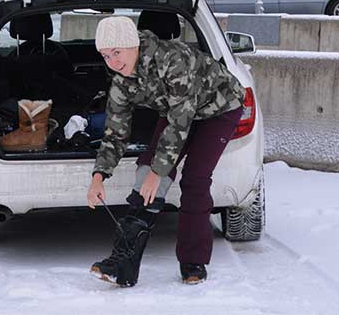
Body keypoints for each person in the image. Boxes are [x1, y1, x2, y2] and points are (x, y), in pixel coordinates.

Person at [86, 15, 245, 287]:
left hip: (219, 108)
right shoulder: (121, 81)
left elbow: (179, 123)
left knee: (194, 178)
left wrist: (159, 173)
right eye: (105, 55)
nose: (112, 62)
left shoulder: (173, 60)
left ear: (132, 44)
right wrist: (99, 176)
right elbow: (116, 132)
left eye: (116, 52)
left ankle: (193, 261)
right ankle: (123, 262)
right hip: (177, 112)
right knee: (147, 168)